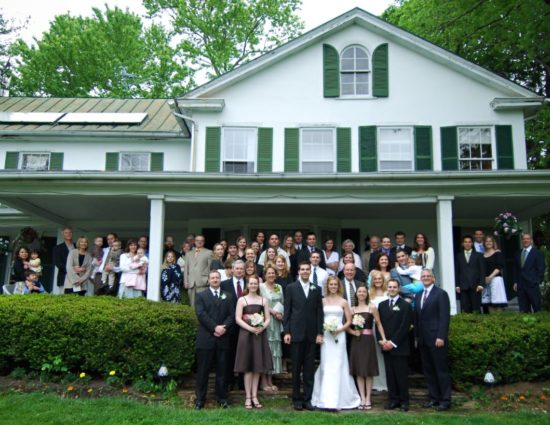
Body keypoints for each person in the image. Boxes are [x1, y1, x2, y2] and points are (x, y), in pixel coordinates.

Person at [311, 276, 360, 410]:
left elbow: (349, 321)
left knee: (339, 364)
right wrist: (322, 331)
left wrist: (340, 329)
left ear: (339, 286)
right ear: (327, 286)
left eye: (335, 284)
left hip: (340, 335)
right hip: (326, 335)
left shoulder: (344, 302)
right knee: (327, 364)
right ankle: (325, 399)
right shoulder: (322, 301)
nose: (333, 286)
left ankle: (341, 398)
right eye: (331, 284)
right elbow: (318, 318)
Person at [283, 262, 324, 411]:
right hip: (296, 333)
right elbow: (287, 311)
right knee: (296, 368)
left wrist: (319, 333)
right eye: (303, 269)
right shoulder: (291, 288)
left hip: (312, 335)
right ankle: (296, 399)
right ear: (299, 271)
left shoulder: (317, 289)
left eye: (308, 269)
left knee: (308, 369)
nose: (305, 272)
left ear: (310, 271)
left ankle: (308, 398)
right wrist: (287, 331)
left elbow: (320, 312)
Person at [194, 270, 234, 410]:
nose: (215, 280)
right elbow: (201, 314)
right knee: (203, 371)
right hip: (206, 339)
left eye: (217, 278)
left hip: (223, 338)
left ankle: (222, 398)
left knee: (222, 371)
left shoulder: (228, 296)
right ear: (209, 280)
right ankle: (200, 399)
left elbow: (232, 315)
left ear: (220, 279)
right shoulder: (201, 295)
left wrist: (224, 327)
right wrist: (215, 328)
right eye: (213, 278)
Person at [415, 269, 452, 411]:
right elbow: (418, 318)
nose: (426, 278)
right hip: (424, 340)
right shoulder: (418, 295)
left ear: (433, 278)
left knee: (440, 371)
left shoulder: (441, 294)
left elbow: (444, 317)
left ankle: (445, 400)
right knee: (428, 370)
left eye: (428, 276)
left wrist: (441, 336)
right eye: (423, 276)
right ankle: (434, 398)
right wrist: (417, 337)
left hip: (437, 339)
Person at [234, 276, 273, 409]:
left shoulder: (263, 300)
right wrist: (250, 328)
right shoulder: (242, 300)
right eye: (251, 283)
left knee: (257, 367)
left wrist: (262, 327)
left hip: (259, 336)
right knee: (248, 367)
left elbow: (267, 318)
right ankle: (248, 397)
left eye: (255, 283)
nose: (253, 285)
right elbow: (238, 319)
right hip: (246, 335)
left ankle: (255, 396)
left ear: (258, 285)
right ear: (247, 285)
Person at [348, 285, 387, 410]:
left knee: (368, 370)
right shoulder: (352, 309)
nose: (361, 293)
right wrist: (354, 332)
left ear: (367, 294)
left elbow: (379, 323)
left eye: (364, 291)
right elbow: (347, 326)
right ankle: (362, 397)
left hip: (368, 340)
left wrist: (384, 338)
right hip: (356, 341)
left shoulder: (372, 308)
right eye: (359, 291)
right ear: (356, 294)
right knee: (359, 370)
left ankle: (368, 397)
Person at [378, 279, 413, 412]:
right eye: (390, 287)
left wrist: (393, 343)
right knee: (390, 375)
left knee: (401, 375)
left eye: (394, 287)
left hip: (400, 346)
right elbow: (378, 324)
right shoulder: (382, 305)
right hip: (385, 345)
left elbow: (405, 327)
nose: (392, 289)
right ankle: (393, 400)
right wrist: (382, 340)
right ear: (387, 288)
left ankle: (404, 401)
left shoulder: (405, 305)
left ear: (398, 289)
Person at [221, 260, 247, 392]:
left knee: (244, 354)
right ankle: (229, 381)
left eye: (242, 269)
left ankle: (243, 383)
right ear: (232, 269)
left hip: (246, 325)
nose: (239, 271)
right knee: (229, 354)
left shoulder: (250, 284)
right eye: (237, 268)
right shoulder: (224, 285)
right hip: (230, 326)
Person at [259, 265, 284, 391]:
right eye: (269, 273)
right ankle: (263, 381)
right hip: (266, 321)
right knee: (266, 350)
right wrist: (272, 312)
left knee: (274, 351)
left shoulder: (278, 287)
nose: (271, 275)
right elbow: (259, 302)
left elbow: (283, 302)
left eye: (273, 273)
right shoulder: (261, 287)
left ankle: (270, 380)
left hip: (277, 322)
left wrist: (280, 314)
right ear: (265, 275)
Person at [513, 233, 546, 313]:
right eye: (524, 239)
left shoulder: (538, 253)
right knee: (523, 311)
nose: (525, 240)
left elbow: (541, 269)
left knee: (537, 309)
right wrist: (515, 282)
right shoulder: (518, 253)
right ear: (522, 240)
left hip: (533, 286)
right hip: (521, 286)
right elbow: (515, 269)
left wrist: (537, 281)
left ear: (531, 240)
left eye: (527, 239)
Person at [455, 235, 486, 313]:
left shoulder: (479, 255)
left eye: (469, 242)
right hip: (463, 286)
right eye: (465, 242)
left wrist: (481, 284)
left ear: (472, 243)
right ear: (463, 244)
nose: (467, 244)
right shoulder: (458, 256)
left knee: (476, 309)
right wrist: (457, 285)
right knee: (465, 309)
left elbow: (482, 270)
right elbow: (457, 271)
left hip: (476, 286)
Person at [369, 271, 389, 392]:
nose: (377, 281)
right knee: (374, 354)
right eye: (375, 279)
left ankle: (385, 382)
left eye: (379, 279)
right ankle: (375, 382)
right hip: (371, 326)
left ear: (383, 280)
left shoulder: (388, 293)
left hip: (384, 326)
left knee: (384, 354)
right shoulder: (369, 293)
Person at [184, 235, 212, 308]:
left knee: (203, 306)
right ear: (194, 242)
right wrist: (185, 281)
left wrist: (209, 280)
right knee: (192, 306)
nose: (199, 242)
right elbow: (186, 269)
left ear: (204, 242)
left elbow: (210, 268)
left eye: (201, 240)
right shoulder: (188, 253)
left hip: (203, 283)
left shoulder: (209, 252)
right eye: (197, 240)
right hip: (191, 283)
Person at [482, 236, 508, 312]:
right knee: (489, 303)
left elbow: (499, 266)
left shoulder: (498, 253)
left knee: (497, 302)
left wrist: (490, 277)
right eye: (486, 241)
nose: (488, 242)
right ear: (484, 243)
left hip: (496, 280)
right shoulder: (482, 255)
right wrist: (485, 278)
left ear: (493, 243)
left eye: (490, 241)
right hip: (486, 281)